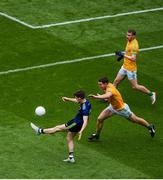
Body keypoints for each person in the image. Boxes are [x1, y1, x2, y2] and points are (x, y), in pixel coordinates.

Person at [30, 90, 91, 163]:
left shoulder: (85, 109)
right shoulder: (85, 101)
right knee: (69, 138)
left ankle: (40, 131)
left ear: (80, 98)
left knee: (57, 128)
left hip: (76, 123)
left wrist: (81, 131)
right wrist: (68, 99)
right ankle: (71, 157)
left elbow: (85, 120)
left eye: (76, 98)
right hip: (78, 123)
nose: (75, 99)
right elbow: (76, 101)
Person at [88, 77, 155, 141]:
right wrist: (102, 97)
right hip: (112, 107)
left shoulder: (110, 89)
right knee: (100, 119)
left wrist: (96, 97)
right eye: (99, 84)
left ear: (106, 83)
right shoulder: (106, 87)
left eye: (100, 84)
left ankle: (149, 126)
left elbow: (108, 95)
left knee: (135, 120)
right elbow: (108, 97)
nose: (99, 86)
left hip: (122, 109)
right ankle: (97, 135)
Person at [113, 29, 156, 104]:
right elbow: (127, 52)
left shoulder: (134, 45)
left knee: (135, 86)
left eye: (129, 35)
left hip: (131, 69)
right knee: (116, 82)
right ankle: (110, 98)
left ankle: (151, 94)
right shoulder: (129, 41)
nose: (127, 36)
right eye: (127, 35)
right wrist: (122, 56)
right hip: (125, 66)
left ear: (133, 36)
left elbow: (133, 58)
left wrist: (123, 55)